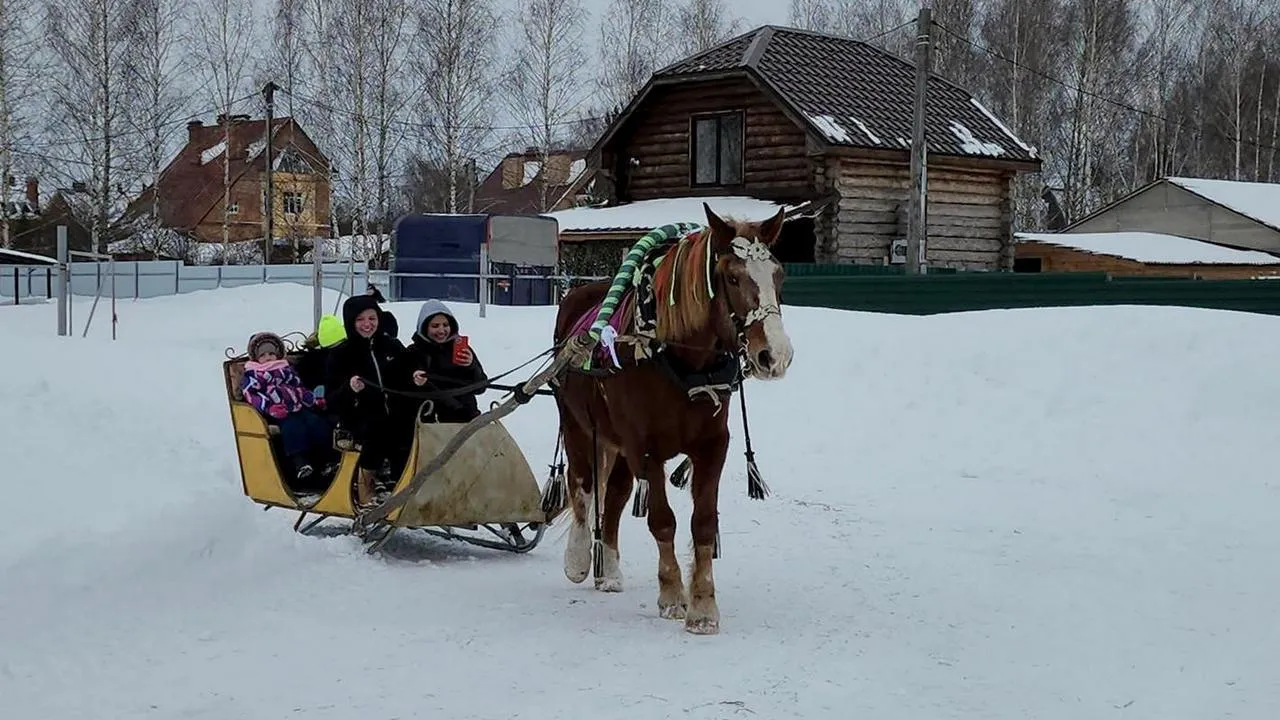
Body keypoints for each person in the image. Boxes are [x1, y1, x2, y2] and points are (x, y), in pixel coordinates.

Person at [324, 294, 428, 507]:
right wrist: (350, 389)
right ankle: (366, 484)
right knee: (378, 430)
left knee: (411, 429)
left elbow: (407, 370)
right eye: (360, 320)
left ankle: (403, 482)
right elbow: (332, 399)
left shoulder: (391, 346)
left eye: (372, 318)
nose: (367, 324)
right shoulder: (341, 354)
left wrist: (415, 376)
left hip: (394, 412)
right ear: (351, 322)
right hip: (357, 417)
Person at [240, 332, 336, 483]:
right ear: (256, 358)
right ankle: (300, 462)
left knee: (317, 423)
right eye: (263, 355)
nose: (268, 357)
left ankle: (327, 459)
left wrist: (313, 400)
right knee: (292, 427)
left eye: (271, 353)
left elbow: (299, 388)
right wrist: (270, 407)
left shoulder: (286, 369)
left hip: (298, 407)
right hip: (279, 412)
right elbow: (252, 395)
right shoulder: (255, 374)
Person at [406, 299, 489, 423]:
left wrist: (472, 366)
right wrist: (415, 382)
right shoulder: (414, 352)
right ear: (424, 327)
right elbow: (404, 392)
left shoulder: (462, 349)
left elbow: (480, 387)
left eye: (445, 325)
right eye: (435, 326)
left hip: (466, 421)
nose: (441, 330)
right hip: (431, 425)